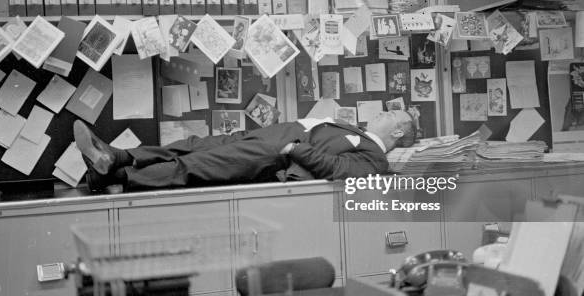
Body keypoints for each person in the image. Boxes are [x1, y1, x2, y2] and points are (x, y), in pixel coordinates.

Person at [73, 110, 417, 193]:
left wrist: (295, 148)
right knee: (193, 145)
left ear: (399, 131)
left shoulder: (376, 159)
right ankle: (117, 158)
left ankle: (118, 178)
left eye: (392, 115)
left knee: (195, 165)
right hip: (270, 136)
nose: (385, 112)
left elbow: (338, 170)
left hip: (277, 153)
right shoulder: (356, 131)